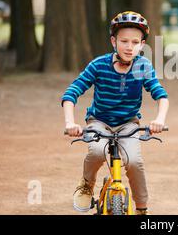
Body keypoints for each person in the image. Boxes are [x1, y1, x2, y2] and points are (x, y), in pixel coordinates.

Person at [62, 11, 169, 215]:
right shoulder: (99, 65)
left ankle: (142, 208)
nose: (130, 47)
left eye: (135, 42)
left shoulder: (143, 66)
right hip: (99, 121)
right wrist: (70, 123)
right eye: (124, 41)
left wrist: (159, 120)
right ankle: (86, 185)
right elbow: (71, 93)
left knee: (134, 162)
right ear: (114, 41)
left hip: (128, 123)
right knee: (96, 151)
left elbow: (161, 96)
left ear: (142, 45)